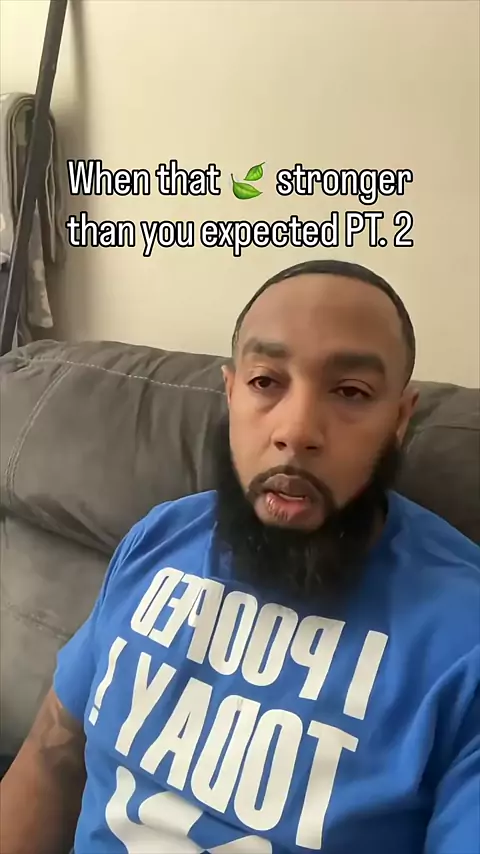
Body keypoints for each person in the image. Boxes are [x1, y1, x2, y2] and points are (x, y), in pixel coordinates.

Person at [1, 259, 479, 854]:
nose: (296, 430)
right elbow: (53, 750)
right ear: (230, 393)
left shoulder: (464, 632)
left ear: (400, 420)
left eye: (350, 392)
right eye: (265, 382)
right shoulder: (158, 537)